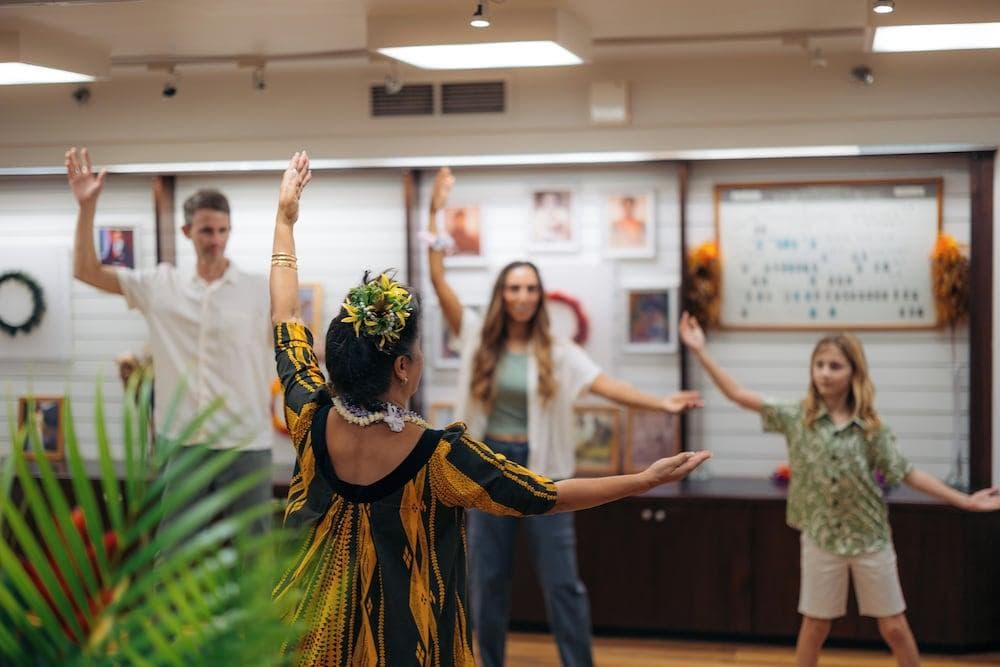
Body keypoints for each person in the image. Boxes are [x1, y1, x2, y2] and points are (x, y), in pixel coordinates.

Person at [268, 152, 711, 666]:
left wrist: (284, 221)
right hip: (409, 646)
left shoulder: (307, 413)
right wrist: (641, 480)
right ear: (405, 369)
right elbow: (545, 494)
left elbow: (284, 316)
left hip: (305, 640)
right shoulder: (441, 458)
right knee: (490, 580)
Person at [427, 167, 704, 667]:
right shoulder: (473, 336)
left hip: (542, 468)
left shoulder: (558, 349)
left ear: (540, 296)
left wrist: (660, 403)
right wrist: (436, 209)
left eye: (530, 288)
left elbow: (606, 384)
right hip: (486, 469)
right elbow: (438, 280)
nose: (522, 296)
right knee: (486, 583)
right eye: (513, 288)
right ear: (501, 295)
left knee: (562, 582)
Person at [678, 311, 1000, 667]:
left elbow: (906, 473)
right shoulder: (796, 416)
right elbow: (737, 394)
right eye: (820, 365)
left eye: (835, 366)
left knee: (893, 626)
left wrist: (965, 501)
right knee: (815, 625)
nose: (825, 373)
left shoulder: (872, 427)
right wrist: (699, 350)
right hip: (820, 538)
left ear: (854, 373)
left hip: (870, 538)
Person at [67, 147, 275, 540]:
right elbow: (86, 270)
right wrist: (86, 208)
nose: (215, 240)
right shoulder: (161, 286)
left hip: (246, 442)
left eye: (222, 230)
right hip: (181, 443)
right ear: (186, 232)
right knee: (174, 558)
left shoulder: (257, 290)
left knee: (254, 559)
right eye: (206, 231)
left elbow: (294, 344)